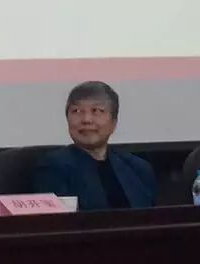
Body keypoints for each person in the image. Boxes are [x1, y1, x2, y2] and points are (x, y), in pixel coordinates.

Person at [28, 81, 156, 211]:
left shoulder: (138, 169)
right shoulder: (52, 168)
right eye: (77, 111)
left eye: (97, 111)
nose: (86, 119)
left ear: (114, 122)